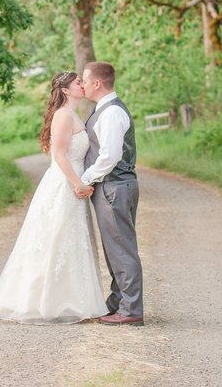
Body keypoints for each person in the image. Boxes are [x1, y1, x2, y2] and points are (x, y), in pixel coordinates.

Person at [0, 71, 108, 324]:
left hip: (73, 182)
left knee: (70, 240)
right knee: (56, 239)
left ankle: (71, 300)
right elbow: (60, 155)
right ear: (65, 90)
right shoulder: (64, 115)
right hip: (65, 183)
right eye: (78, 83)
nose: (82, 85)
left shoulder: (73, 114)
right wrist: (80, 185)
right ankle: (44, 302)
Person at [77, 61, 145, 326]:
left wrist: (85, 179)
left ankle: (131, 310)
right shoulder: (104, 109)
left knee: (121, 249)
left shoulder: (112, 113)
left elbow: (110, 156)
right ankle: (117, 303)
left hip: (114, 186)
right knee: (115, 248)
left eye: (84, 79)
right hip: (113, 187)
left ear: (97, 83)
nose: (81, 84)